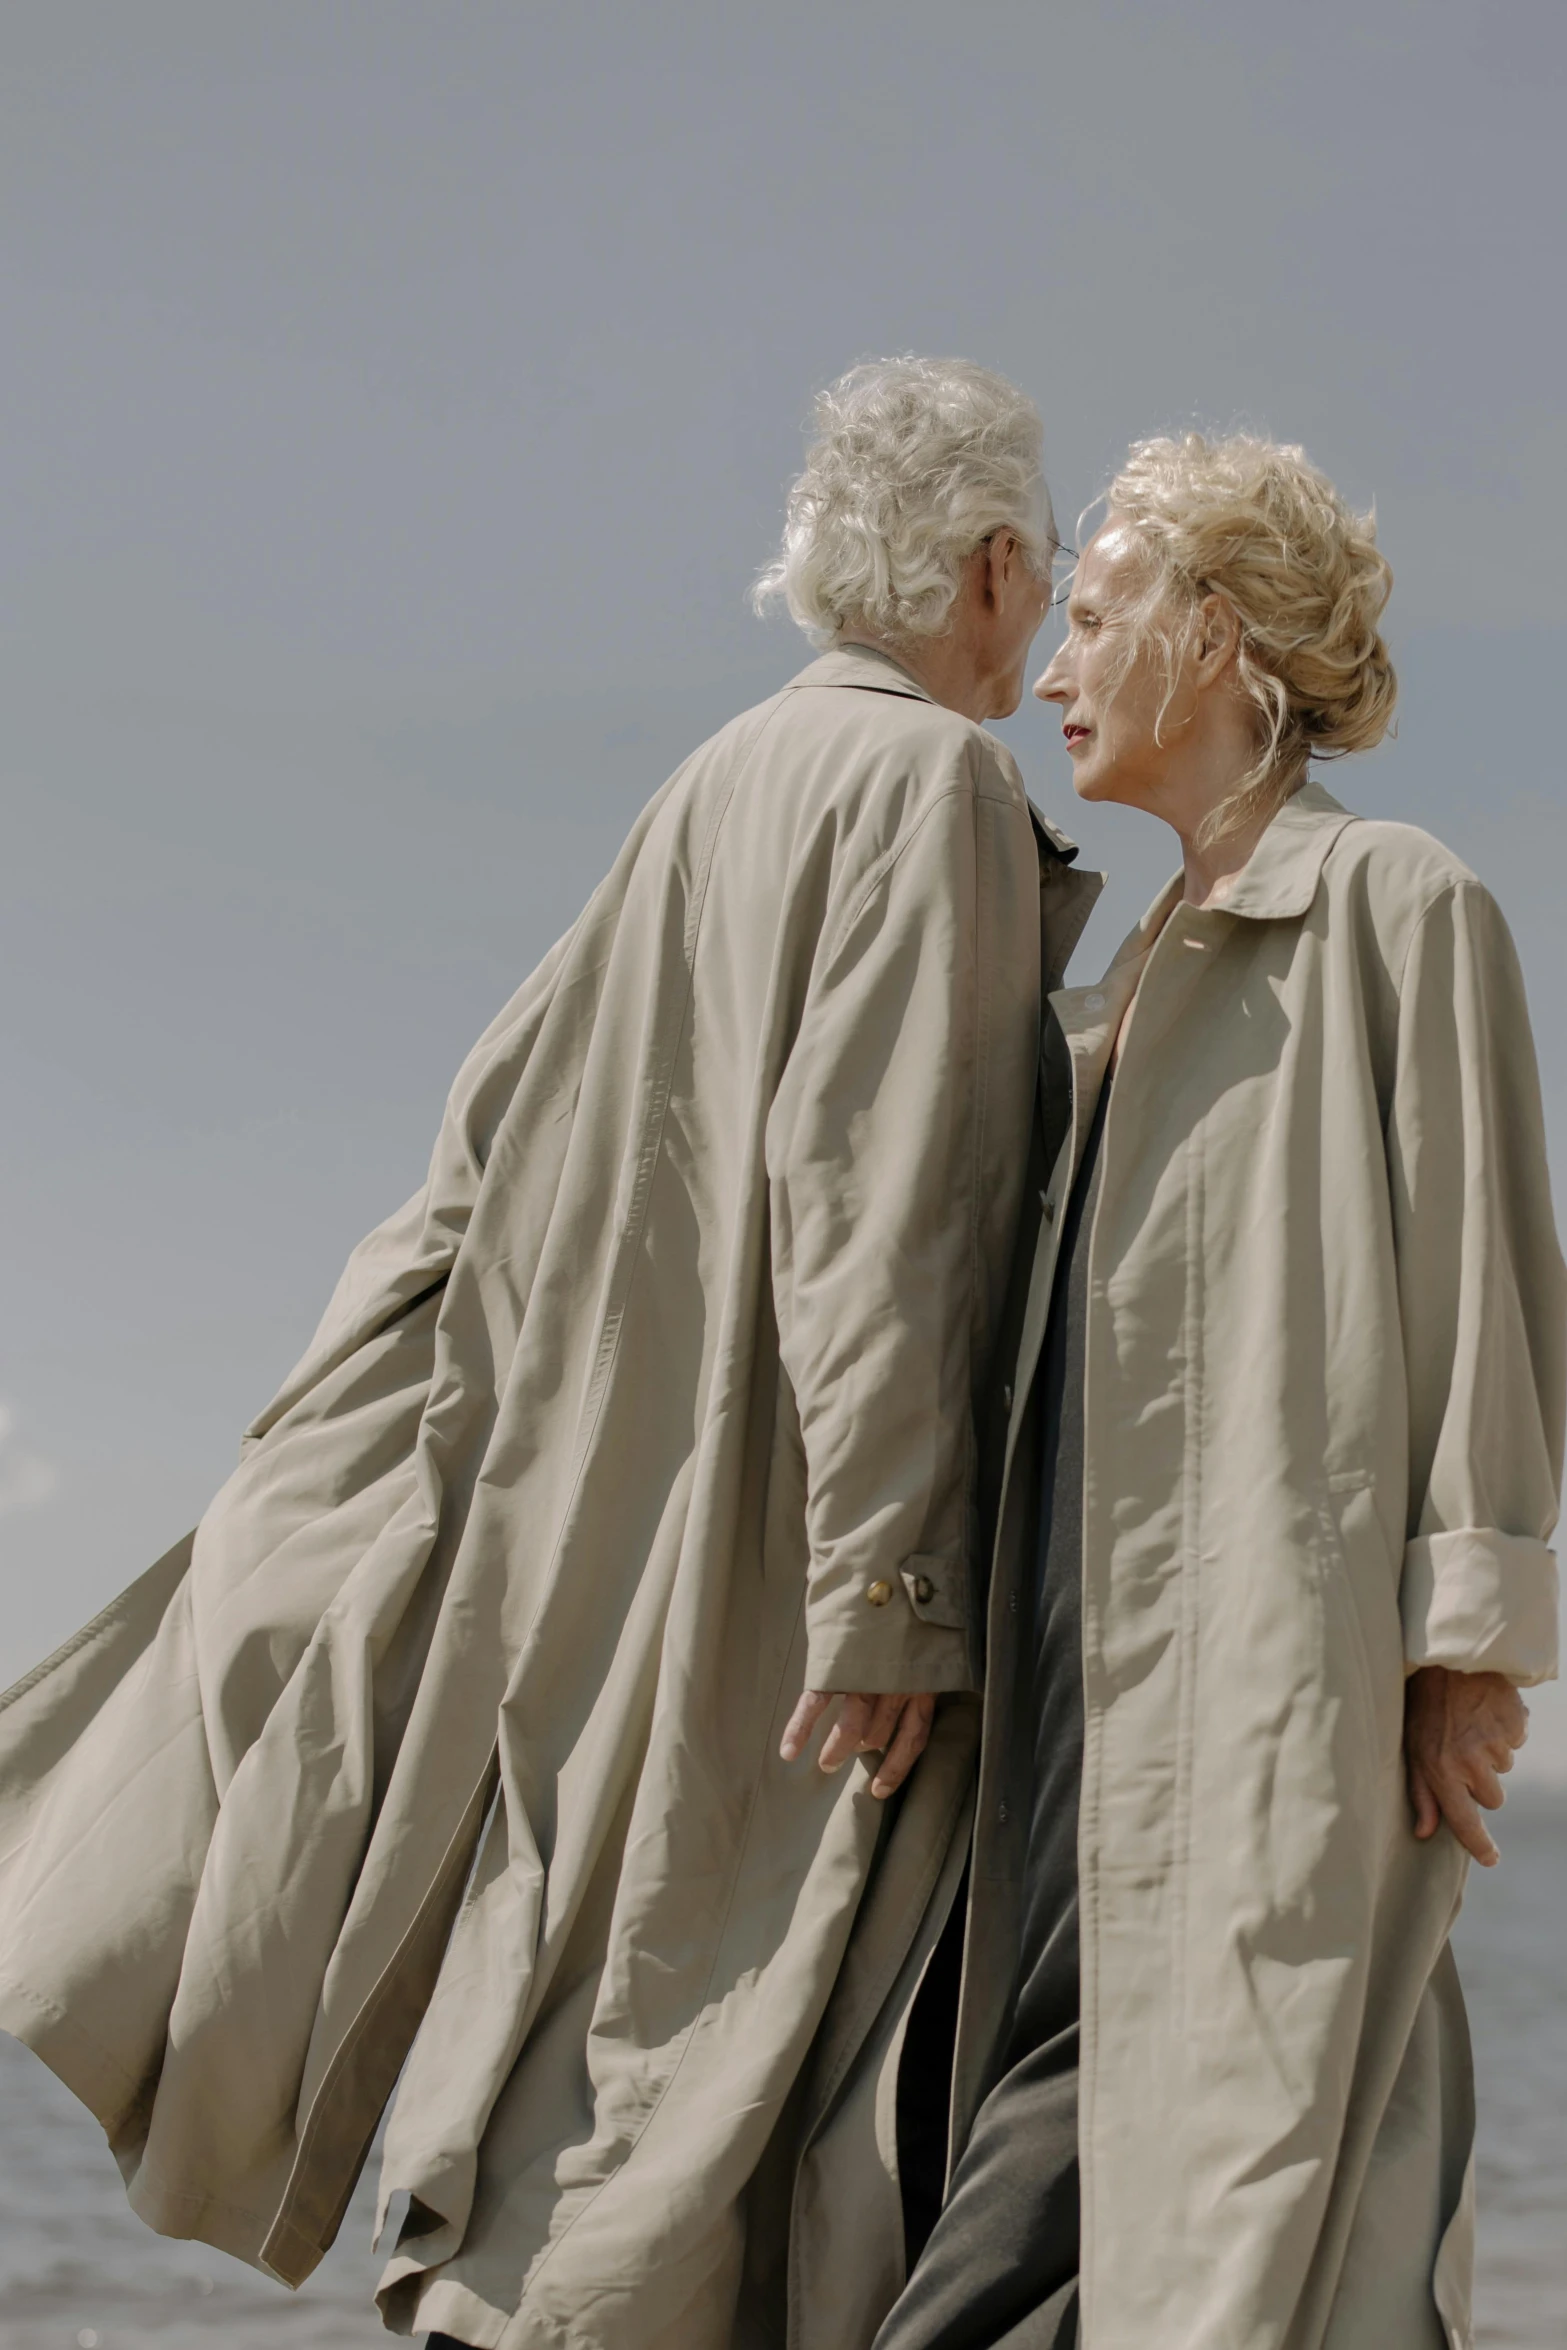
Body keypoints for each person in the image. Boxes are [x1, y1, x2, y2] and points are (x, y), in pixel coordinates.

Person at [0, 357, 1103, 2348]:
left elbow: (489, 1128)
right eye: (1050, 570)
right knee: (744, 2039)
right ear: (998, 564)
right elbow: (875, 1201)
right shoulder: (931, 780)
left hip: (604, 1502)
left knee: (596, 2004)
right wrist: (886, 1578)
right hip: (782, 1534)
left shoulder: (708, 781)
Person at [874, 434, 1564, 2350]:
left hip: (1274, 1664)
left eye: (1098, 617)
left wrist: (1471, 1644)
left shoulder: (1396, 909)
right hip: (1067, 1667)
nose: (1063, 669)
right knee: (1193, 2146)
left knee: (1231, 2147)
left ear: (1220, 630)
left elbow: (1487, 1282)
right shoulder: (1095, 990)